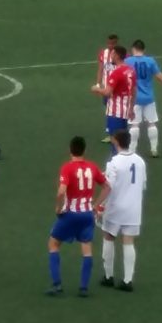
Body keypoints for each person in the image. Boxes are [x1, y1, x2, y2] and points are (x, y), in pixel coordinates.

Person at [46, 136, 110, 297]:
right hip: (87, 214)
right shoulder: (92, 167)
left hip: (70, 214)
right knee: (87, 249)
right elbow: (107, 187)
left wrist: (58, 207)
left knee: (53, 244)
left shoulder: (67, 168)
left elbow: (61, 191)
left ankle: (57, 284)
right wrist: (95, 205)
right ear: (85, 150)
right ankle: (83, 288)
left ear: (70, 150)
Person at [98, 130, 146, 292]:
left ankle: (109, 276)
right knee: (129, 241)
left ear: (116, 142)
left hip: (115, 207)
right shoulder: (140, 161)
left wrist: (99, 204)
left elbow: (108, 186)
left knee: (109, 237)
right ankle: (127, 280)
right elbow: (143, 184)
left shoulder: (114, 162)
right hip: (134, 208)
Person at [124, 40, 162, 157]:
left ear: (133, 49)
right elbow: (160, 77)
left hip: (134, 98)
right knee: (152, 123)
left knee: (134, 125)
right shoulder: (150, 61)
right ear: (143, 49)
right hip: (149, 98)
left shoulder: (127, 62)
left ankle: (131, 150)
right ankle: (154, 149)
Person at [91, 46, 135, 155]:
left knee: (115, 142)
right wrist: (131, 108)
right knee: (123, 141)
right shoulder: (130, 70)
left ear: (117, 55)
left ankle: (114, 168)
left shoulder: (116, 72)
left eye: (113, 53)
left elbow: (107, 92)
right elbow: (133, 91)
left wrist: (96, 89)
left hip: (115, 112)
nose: (111, 55)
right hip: (125, 111)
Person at [95, 34, 119, 143]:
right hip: (106, 88)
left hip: (118, 88)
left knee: (117, 110)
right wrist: (98, 84)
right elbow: (100, 70)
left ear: (116, 43)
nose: (110, 45)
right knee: (109, 110)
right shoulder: (103, 54)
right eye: (108, 43)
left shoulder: (121, 54)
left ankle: (117, 133)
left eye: (112, 43)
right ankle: (110, 133)